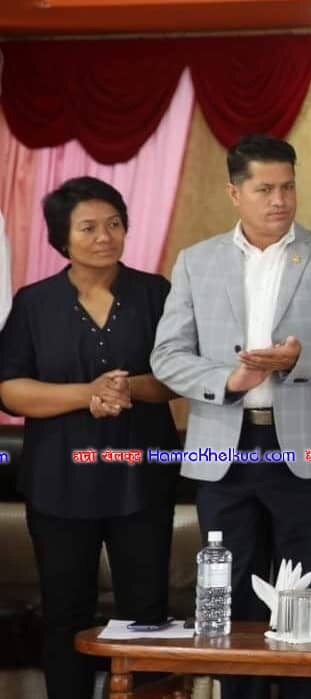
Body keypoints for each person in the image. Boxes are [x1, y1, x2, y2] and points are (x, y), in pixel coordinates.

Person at [151, 134, 311, 699]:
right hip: (223, 447)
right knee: (232, 599)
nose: (280, 200)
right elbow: (167, 356)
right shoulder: (197, 261)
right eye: (265, 189)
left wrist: (301, 360)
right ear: (235, 193)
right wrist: (227, 381)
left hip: (306, 446)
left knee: (306, 600)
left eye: (288, 187)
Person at [0, 177, 179, 699]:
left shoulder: (156, 293)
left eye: (114, 224)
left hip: (141, 477)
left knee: (147, 614)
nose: (104, 236)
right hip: (59, 480)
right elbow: (10, 389)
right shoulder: (34, 303)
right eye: (88, 227)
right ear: (62, 237)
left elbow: (179, 375)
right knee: (66, 614)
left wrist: (126, 388)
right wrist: (87, 394)